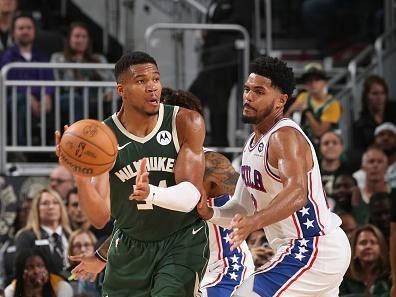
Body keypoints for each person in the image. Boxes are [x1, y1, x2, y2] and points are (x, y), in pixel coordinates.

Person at [69, 87, 255, 297]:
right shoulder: (144, 165)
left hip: (221, 266)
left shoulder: (210, 163)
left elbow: (250, 202)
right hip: (174, 265)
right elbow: (137, 225)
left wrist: (264, 225)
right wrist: (102, 257)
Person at [55, 51, 208, 297]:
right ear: (121, 90)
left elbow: (191, 194)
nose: (152, 87)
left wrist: (152, 193)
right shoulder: (104, 137)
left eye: (156, 79)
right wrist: (80, 176)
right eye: (141, 81)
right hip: (129, 245)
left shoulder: (185, 122)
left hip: (181, 242)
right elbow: (99, 218)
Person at [197, 55, 351, 296]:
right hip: (297, 250)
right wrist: (210, 213)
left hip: (312, 247)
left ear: (281, 101)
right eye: (247, 89)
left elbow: (297, 193)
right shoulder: (252, 144)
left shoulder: (285, 136)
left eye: (259, 91)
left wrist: (254, 222)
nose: (248, 96)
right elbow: (241, 208)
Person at [189, 0, 254, 147]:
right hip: (212, 58)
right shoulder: (215, 2)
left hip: (230, 56)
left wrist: (211, 30)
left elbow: (242, 21)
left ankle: (219, 147)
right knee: (210, 100)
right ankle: (212, 143)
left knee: (208, 98)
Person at [0, 13, 54, 146]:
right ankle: (19, 147)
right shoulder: (7, 56)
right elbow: (9, 83)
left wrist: (47, 96)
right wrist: (28, 97)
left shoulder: (42, 56)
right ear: (13, 33)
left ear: (34, 32)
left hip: (40, 99)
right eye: (21, 28)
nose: (25, 31)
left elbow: (49, 79)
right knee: (20, 100)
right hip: (13, 99)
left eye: (28, 28)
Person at [50, 22, 115, 124]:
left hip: (96, 98)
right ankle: (78, 137)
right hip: (69, 96)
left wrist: (110, 92)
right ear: (69, 39)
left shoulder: (99, 59)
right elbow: (57, 82)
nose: (80, 40)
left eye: (84, 37)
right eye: (77, 36)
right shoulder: (58, 58)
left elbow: (112, 82)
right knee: (77, 100)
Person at [15, 188, 71, 276]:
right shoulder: (26, 236)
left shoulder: (71, 235)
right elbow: (21, 269)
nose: (51, 207)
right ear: (36, 209)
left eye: (55, 203)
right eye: (45, 203)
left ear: (61, 207)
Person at [286, 62, 342, 149]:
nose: (313, 83)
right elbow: (286, 119)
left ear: (325, 82)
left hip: (326, 148)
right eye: (309, 80)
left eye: (317, 79)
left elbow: (319, 132)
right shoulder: (303, 96)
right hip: (304, 145)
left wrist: (307, 111)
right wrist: (290, 111)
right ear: (305, 84)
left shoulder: (333, 104)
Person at [340, 224, 391, 296]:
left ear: (381, 249)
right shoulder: (343, 279)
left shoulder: (389, 278)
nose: (368, 246)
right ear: (354, 250)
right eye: (363, 243)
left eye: (373, 242)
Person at [4, 248, 73, 297]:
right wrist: (29, 291)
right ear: (21, 272)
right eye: (30, 267)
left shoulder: (61, 287)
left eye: (40, 266)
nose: (36, 271)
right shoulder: (10, 291)